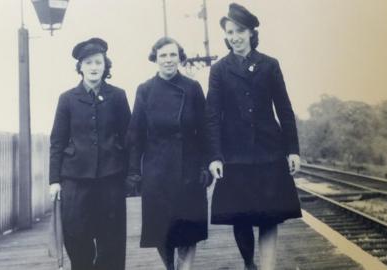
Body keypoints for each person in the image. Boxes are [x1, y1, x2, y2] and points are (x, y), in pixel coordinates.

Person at [205, 3, 302, 270]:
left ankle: (267, 267)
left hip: (269, 152)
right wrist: (214, 156)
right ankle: (249, 263)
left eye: (239, 31)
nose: (234, 37)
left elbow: (284, 108)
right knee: (241, 217)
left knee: (270, 216)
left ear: (250, 33)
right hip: (235, 155)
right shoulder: (220, 70)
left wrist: (292, 149)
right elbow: (211, 115)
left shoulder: (270, 65)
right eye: (230, 32)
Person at [126, 37, 210, 270]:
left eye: (173, 55)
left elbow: (204, 131)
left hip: (188, 169)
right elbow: (136, 134)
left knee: (188, 229)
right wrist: (134, 172)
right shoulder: (145, 90)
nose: (168, 60)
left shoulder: (192, 88)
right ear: (155, 59)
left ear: (180, 57)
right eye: (163, 55)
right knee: (161, 230)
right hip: (157, 170)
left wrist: (205, 165)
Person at [49, 37, 131, 270]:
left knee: (112, 238)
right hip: (75, 179)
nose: (94, 67)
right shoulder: (67, 99)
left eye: (98, 62)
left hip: (111, 178)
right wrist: (54, 180)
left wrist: (130, 174)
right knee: (76, 235)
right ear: (80, 67)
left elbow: (128, 139)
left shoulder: (118, 96)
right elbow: (57, 141)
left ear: (106, 66)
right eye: (88, 63)